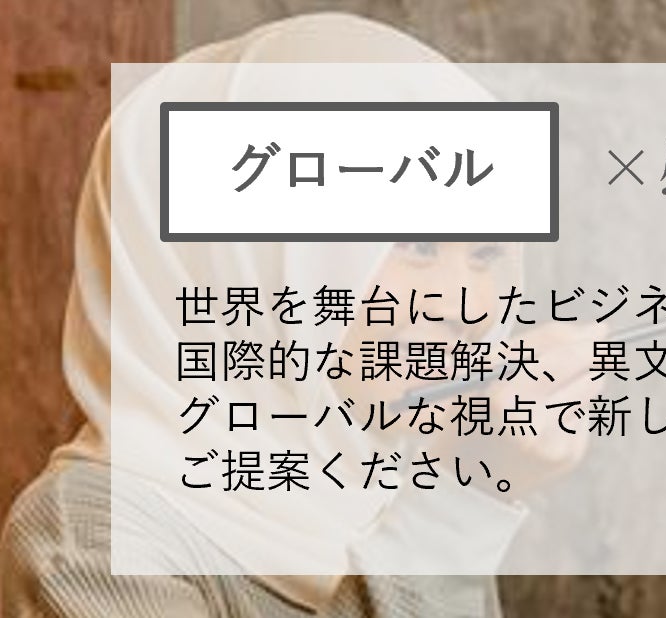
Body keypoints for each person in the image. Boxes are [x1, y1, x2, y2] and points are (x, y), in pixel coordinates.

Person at [2, 13, 600, 617]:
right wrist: (459, 507)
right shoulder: (88, 542)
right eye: (416, 245)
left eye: (487, 253)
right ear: (239, 262)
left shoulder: (384, 478)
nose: (465, 306)